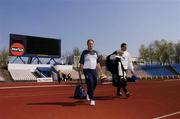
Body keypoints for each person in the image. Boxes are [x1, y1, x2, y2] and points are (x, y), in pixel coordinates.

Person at [79, 39, 102, 106]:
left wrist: (100, 71)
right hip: (87, 70)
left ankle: (89, 93)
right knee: (90, 82)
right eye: (89, 43)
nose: (91, 45)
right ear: (87, 44)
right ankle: (92, 99)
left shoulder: (95, 52)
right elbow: (81, 62)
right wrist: (80, 71)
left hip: (94, 70)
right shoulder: (84, 52)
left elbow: (97, 63)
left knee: (95, 83)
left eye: (92, 44)